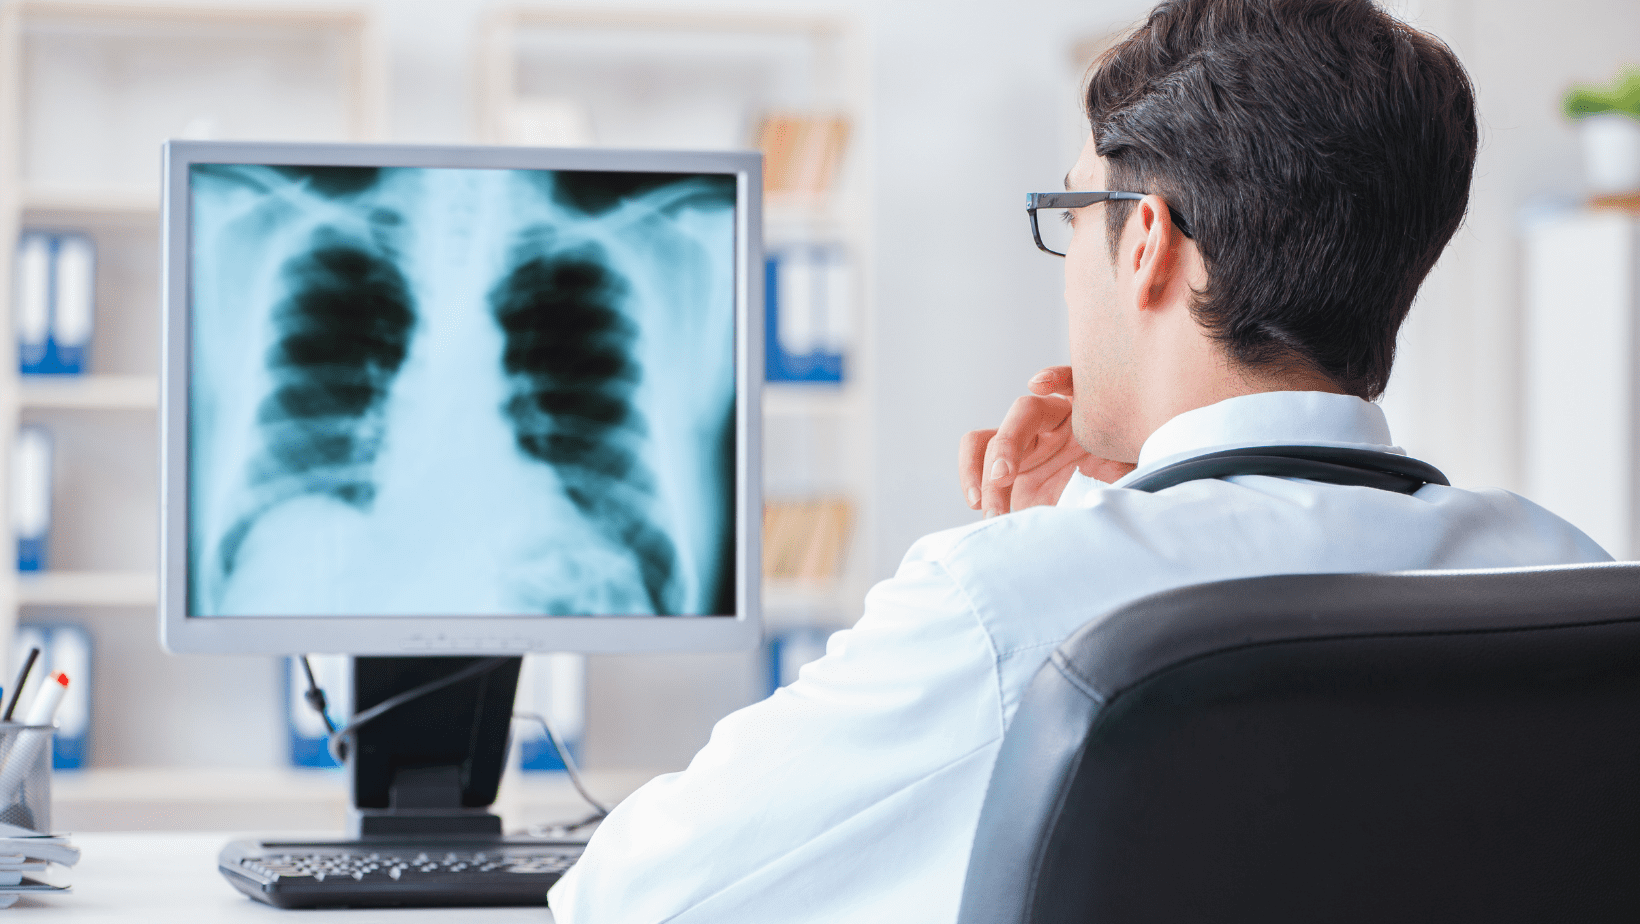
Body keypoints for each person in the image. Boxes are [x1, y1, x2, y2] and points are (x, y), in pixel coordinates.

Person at [548, 1, 1610, 921]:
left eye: (1072, 211)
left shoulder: (1008, 607)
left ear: (1144, 241)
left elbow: (630, 896)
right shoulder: (1570, 578)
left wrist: (1025, 564)